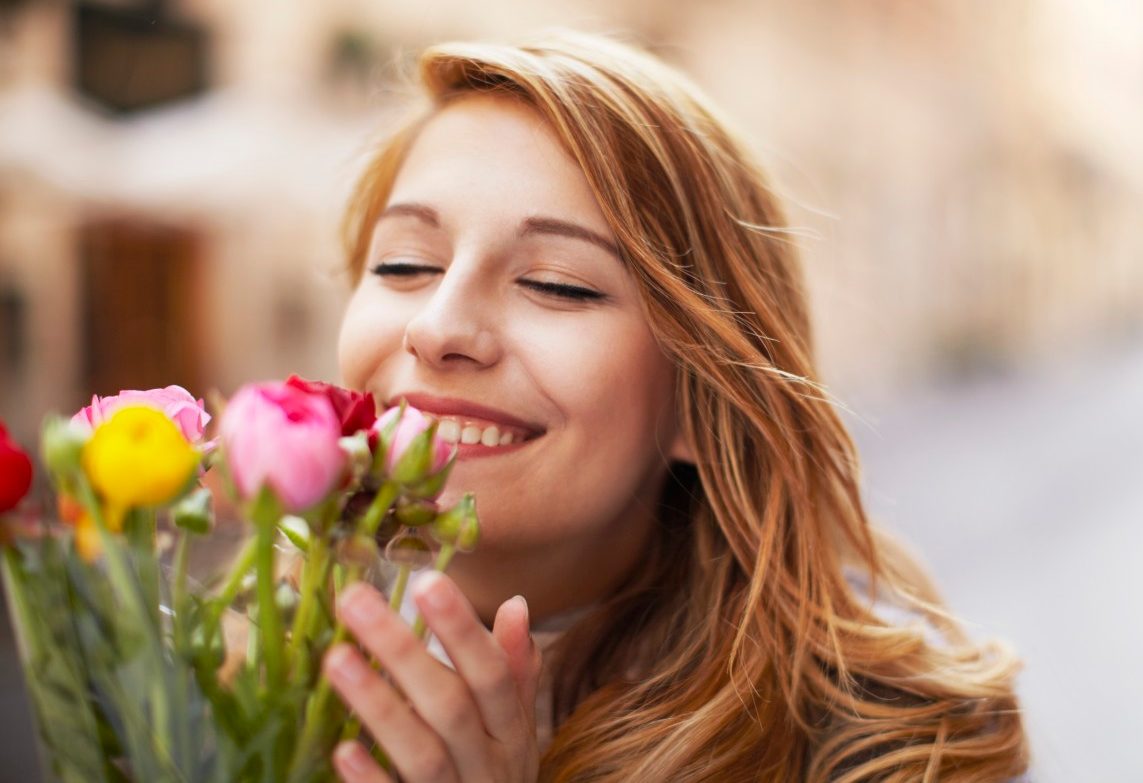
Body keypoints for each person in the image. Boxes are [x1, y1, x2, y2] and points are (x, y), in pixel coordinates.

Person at [323, 30, 1031, 782]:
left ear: (702, 400)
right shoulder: (230, 669)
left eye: (558, 282)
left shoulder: (897, 756)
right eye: (403, 263)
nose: (435, 328)